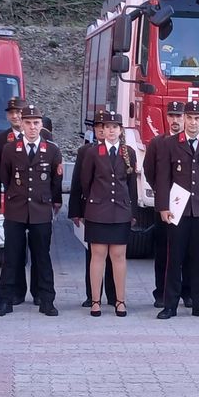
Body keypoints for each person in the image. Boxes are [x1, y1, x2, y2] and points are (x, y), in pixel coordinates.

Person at [0, 105, 63, 317]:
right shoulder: (10, 149)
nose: (32, 127)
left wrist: (54, 201)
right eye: (28, 123)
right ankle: (5, 300)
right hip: (16, 209)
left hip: (40, 210)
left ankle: (46, 299)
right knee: (11, 257)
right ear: (21, 124)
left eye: (36, 123)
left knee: (43, 257)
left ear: (42, 125)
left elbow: (55, 181)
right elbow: (4, 176)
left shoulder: (52, 150)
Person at [154, 100, 199, 320]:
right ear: (183, 119)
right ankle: (170, 305)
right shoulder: (171, 143)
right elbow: (163, 178)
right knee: (174, 258)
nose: (193, 122)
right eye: (189, 118)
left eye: (197, 118)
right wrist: (163, 206)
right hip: (177, 209)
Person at [75, 110, 137, 317]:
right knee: (98, 255)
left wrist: (132, 211)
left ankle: (120, 301)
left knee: (118, 256)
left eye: (115, 127)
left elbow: (131, 184)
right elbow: (86, 182)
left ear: (120, 130)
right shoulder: (93, 151)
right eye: (107, 127)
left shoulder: (128, 152)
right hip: (98, 211)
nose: (110, 130)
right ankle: (95, 301)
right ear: (102, 130)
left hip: (120, 211)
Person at [144, 102, 191, 309]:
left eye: (178, 116)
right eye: (171, 116)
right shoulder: (158, 143)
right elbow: (149, 171)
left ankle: (188, 292)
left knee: (189, 251)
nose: (174, 120)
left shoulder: (193, 141)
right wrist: (163, 195)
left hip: (189, 206)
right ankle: (161, 292)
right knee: (164, 250)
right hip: (166, 205)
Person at [69, 112, 116, 309]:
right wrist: (76, 210)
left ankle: (114, 297)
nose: (101, 130)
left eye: (104, 126)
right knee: (93, 255)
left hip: (115, 211)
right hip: (93, 209)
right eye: (98, 126)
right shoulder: (86, 151)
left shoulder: (121, 151)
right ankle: (92, 295)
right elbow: (79, 183)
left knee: (115, 256)